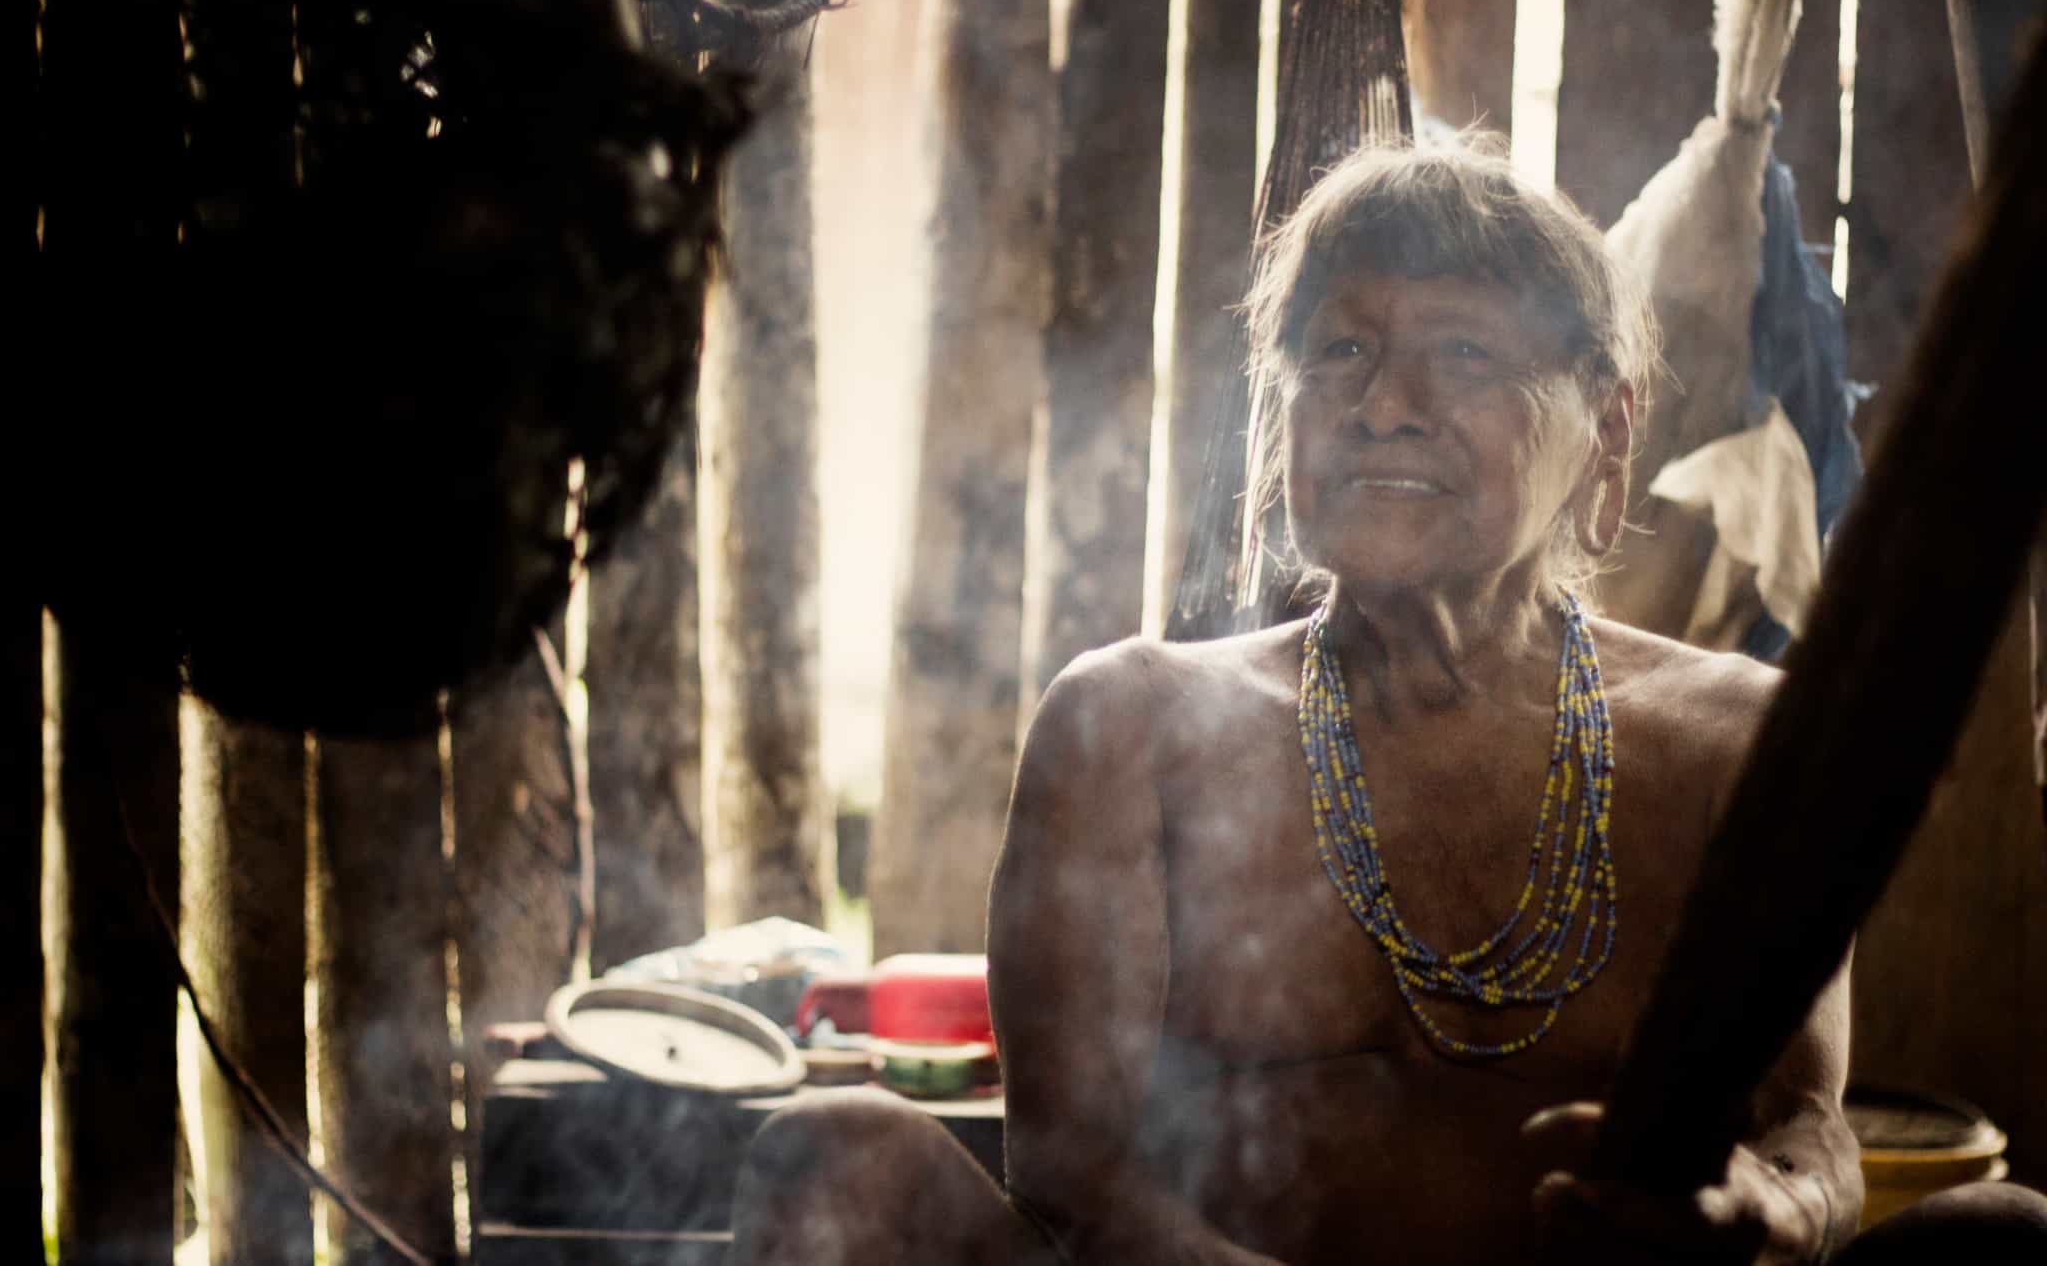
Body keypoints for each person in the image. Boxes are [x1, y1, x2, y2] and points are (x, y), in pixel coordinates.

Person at [726, 137, 2047, 1265]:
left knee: (2003, 1231)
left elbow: (1812, 1131)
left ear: (1610, 424)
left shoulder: (1738, 739)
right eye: (1341, 351)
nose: (1385, 406)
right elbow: (1071, 1166)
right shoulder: (1127, 725)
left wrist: (1772, 1204)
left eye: (1464, 355)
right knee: (833, 1161)